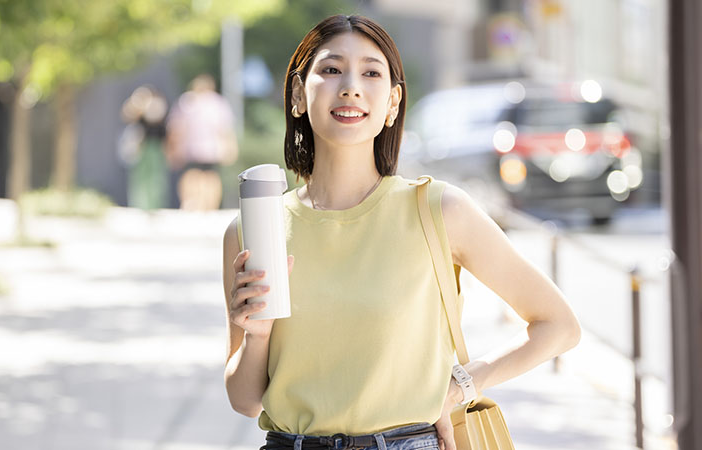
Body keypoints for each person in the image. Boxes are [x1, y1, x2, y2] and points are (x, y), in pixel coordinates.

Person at [222, 14, 581, 450]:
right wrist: (256, 336)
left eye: (371, 72)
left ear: (393, 103)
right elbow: (245, 400)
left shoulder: (439, 210)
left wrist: (462, 386)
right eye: (331, 69)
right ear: (299, 93)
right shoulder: (252, 230)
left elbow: (558, 325)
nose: (350, 86)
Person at [166, 74, 238, 211]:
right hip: (212, 149)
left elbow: (176, 127)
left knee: (191, 175)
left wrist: (173, 148)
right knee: (211, 176)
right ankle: (209, 205)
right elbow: (225, 128)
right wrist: (230, 147)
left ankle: (192, 202)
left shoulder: (187, 102)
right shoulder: (218, 103)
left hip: (191, 148)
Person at [117, 85, 170, 210]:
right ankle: (140, 205)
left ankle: (155, 205)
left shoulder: (158, 104)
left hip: (156, 145)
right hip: (140, 145)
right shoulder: (136, 108)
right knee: (140, 177)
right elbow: (126, 116)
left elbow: (159, 122)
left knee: (156, 177)